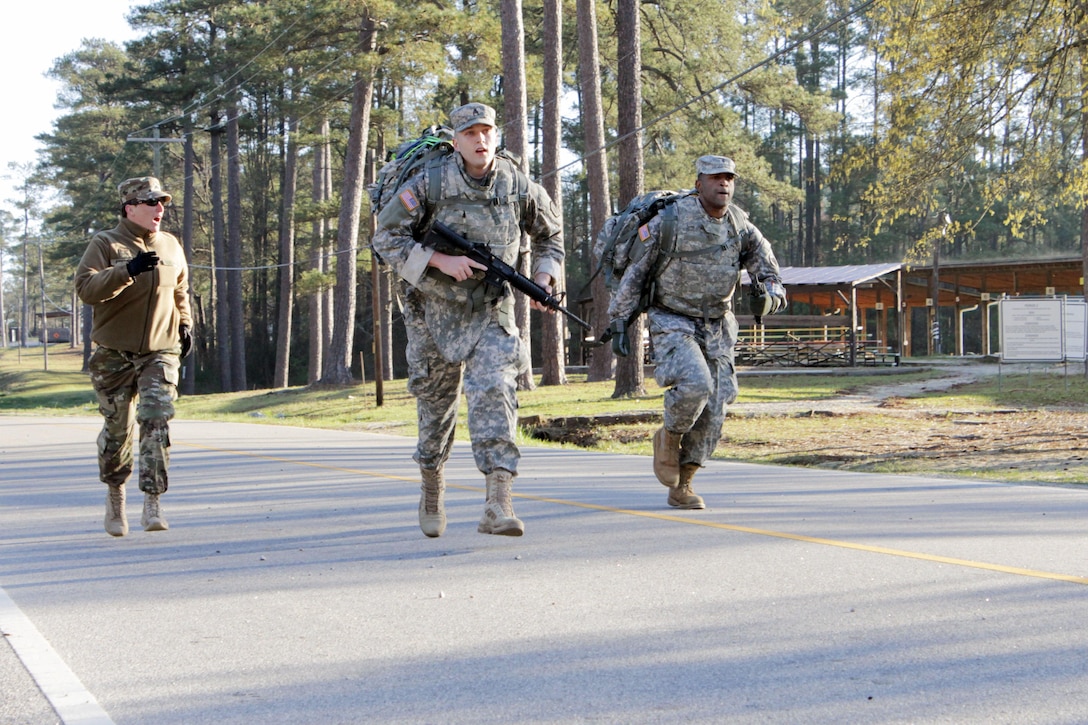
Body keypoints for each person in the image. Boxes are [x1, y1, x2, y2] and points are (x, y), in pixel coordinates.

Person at [372, 102, 565, 538]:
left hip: (490, 308)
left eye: (487, 132)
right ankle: (432, 487)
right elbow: (385, 237)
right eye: (471, 133)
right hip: (431, 310)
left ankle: (498, 503)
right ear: (456, 141)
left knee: (496, 392)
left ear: (497, 136)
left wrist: (544, 275)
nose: (481, 140)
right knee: (436, 411)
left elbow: (551, 235)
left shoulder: (518, 184)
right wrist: (438, 259)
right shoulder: (430, 183)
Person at [607, 156, 786, 509]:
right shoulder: (670, 221)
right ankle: (669, 436)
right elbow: (637, 273)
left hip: (718, 323)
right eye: (715, 178)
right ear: (699, 182)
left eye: (729, 178)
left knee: (717, 403)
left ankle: (684, 484)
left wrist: (770, 296)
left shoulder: (740, 227)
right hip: (672, 318)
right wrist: (620, 321)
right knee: (696, 384)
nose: (724, 184)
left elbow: (770, 273)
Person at [75, 176, 192, 536]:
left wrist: (185, 324)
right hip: (114, 352)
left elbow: (181, 290)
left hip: (160, 349)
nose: (160, 209)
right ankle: (115, 495)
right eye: (151, 202)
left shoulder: (171, 245)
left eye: (162, 203)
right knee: (118, 430)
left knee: (156, 417)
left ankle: (153, 502)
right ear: (130, 207)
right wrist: (126, 270)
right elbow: (86, 289)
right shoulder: (105, 243)